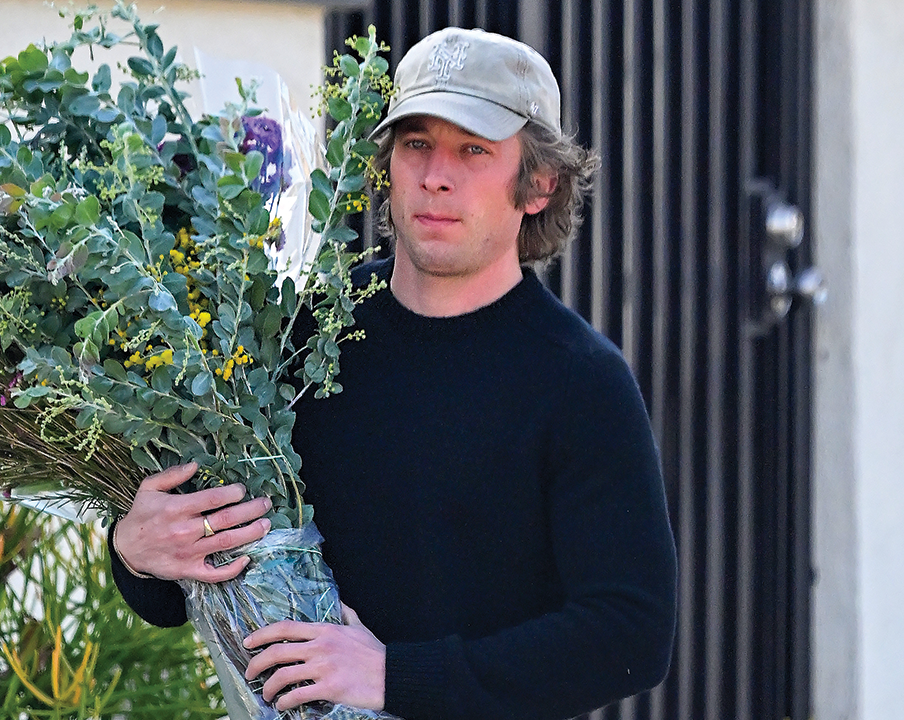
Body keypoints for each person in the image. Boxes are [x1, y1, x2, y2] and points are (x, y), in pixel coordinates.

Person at [108, 27, 678, 720]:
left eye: (473, 150)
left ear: (538, 184)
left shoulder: (581, 382)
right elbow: (191, 580)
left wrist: (396, 676)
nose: (437, 174)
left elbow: (630, 635)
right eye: (417, 144)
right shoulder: (298, 337)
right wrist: (135, 551)